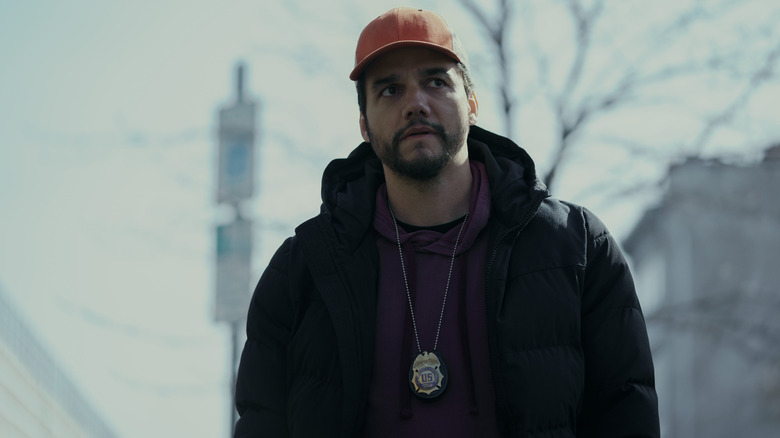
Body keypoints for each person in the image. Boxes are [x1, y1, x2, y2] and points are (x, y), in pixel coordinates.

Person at [234, 7, 659, 438]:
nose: (415, 103)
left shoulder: (576, 248)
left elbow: (626, 415)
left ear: (472, 104)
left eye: (436, 82)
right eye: (390, 90)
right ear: (364, 124)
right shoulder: (303, 269)